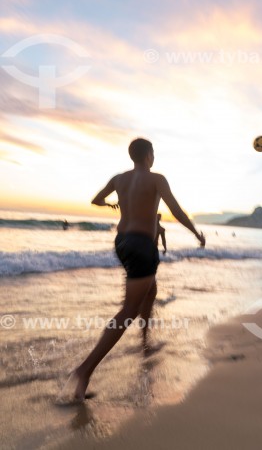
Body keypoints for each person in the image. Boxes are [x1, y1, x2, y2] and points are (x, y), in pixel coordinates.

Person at [66, 138, 205, 401]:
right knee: (129, 309)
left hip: (122, 242)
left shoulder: (119, 179)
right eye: (153, 154)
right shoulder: (156, 178)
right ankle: (84, 370)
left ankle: (144, 340)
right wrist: (196, 233)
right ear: (150, 156)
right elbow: (175, 209)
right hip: (142, 246)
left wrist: (111, 205)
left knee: (150, 290)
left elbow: (96, 200)